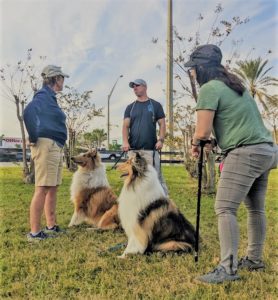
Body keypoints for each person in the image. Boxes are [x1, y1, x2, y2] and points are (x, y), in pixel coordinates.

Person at [186, 44, 277, 284]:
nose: (192, 74)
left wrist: (196, 143)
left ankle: (227, 269)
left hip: (246, 152)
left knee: (224, 208)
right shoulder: (235, 86)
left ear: (201, 67)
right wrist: (213, 141)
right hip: (266, 151)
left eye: (193, 69)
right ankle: (254, 259)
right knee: (255, 208)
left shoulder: (209, 88)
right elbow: (234, 125)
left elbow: (202, 130)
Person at [23, 65, 69, 241]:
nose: (63, 81)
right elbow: (28, 112)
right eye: (62, 78)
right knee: (42, 188)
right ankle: (35, 233)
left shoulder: (50, 98)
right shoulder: (43, 95)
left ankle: (51, 226)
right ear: (56, 79)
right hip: (46, 145)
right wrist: (33, 136)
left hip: (55, 145)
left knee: (52, 188)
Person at [122, 79, 168, 195]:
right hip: (133, 151)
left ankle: (163, 200)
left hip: (150, 151)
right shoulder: (130, 107)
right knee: (133, 179)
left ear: (145, 87)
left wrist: (161, 140)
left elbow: (162, 124)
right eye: (133, 87)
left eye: (137, 85)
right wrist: (125, 142)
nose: (135, 88)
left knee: (156, 178)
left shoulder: (155, 105)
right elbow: (125, 126)